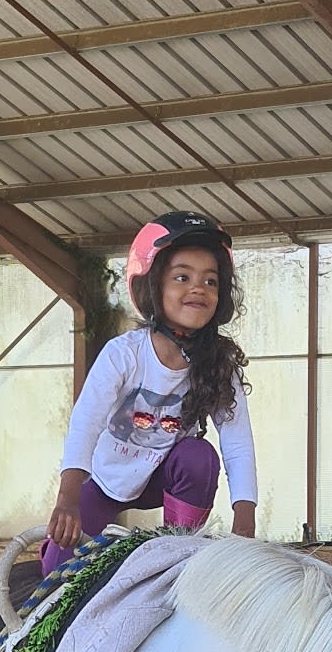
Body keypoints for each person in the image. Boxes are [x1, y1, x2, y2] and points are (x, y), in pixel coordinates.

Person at [42, 211, 257, 572]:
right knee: (56, 571)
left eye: (210, 281)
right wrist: (68, 499)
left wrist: (245, 522)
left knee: (199, 456)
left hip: (166, 477)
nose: (198, 288)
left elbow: (237, 442)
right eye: (182, 277)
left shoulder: (218, 363)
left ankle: (173, 554)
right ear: (153, 286)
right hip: (109, 479)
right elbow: (86, 422)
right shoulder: (124, 354)